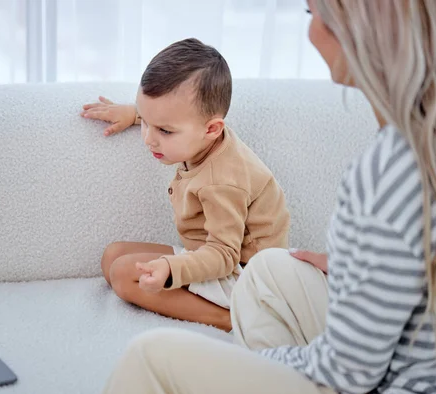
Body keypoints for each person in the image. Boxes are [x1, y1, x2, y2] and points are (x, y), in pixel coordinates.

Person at [100, 0, 436, 394]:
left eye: (312, 14)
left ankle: (228, 324)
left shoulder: (386, 170)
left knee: (149, 356)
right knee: (271, 270)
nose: (310, 32)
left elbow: (349, 372)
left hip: (399, 387)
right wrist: (354, 268)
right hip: (427, 362)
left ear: (354, 30)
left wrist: (251, 368)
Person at [82, 38, 290, 332]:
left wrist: (171, 269)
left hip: (248, 279)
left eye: (164, 130)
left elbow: (224, 255)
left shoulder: (222, 182)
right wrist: (134, 113)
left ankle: (230, 320)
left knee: (124, 275)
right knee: (113, 256)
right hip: (212, 257)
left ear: (211, 129)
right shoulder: (204, 132)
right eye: (146, 122)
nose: (149, 139)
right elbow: (172, 113)